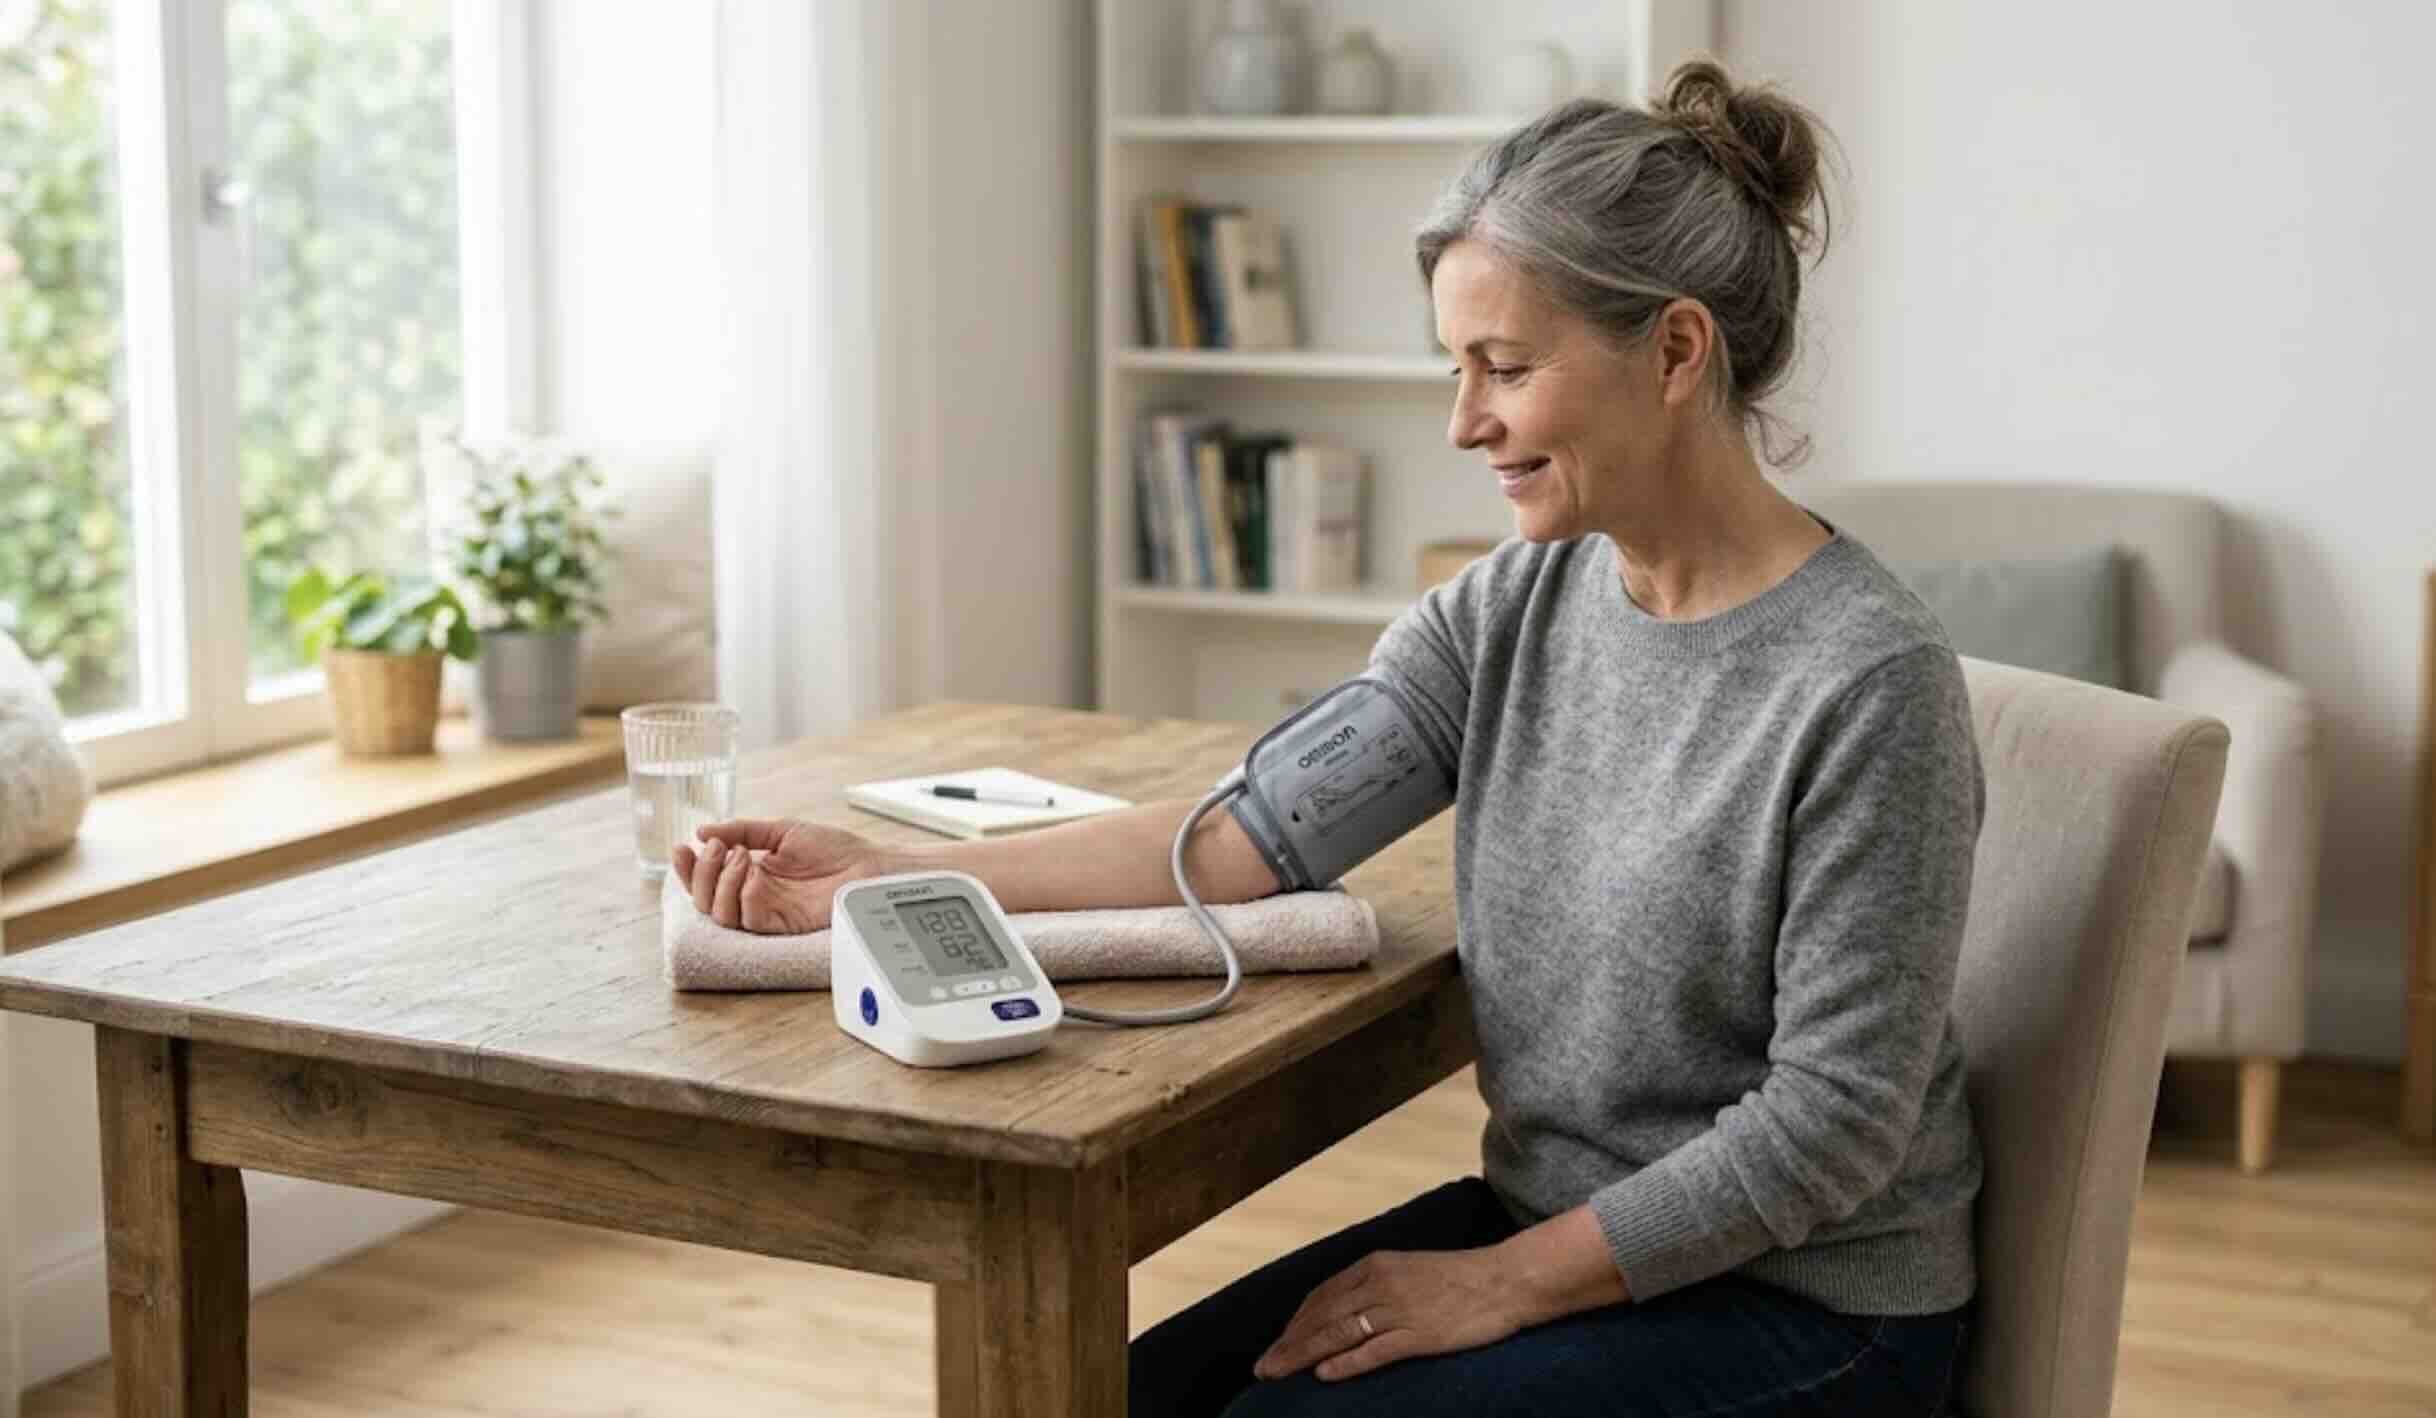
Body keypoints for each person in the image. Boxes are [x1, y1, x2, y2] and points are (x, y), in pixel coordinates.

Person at [674, 58, 1980, 1418]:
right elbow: (1237, 841)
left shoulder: (1869, 680)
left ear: (1674, 352)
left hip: (1808, 1305)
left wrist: (1497, 1284)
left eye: (1505, 368)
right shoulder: (1511, 607)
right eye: (1456, 369)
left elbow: (1833, 1125)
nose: (1464, 423)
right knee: (1112, 1398)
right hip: (1559, 1229)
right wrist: (884, 877)